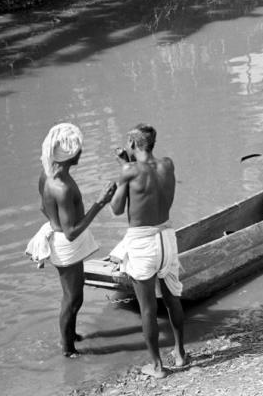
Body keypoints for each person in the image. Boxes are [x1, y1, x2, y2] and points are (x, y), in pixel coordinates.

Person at [26, 122, 116, 358]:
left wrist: (55, 224)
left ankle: (71, 335)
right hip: (66, 243)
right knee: (73, 298)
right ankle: (68, 350)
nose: (82, 153)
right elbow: (72, 232)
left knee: (73, 295)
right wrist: (100, 202)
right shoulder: (63, 187)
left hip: (57, 237)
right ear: (70, 155)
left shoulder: (46, 175)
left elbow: (41, 207)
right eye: (79, 150)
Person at [108, 124, 187, 379]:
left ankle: (156, 366)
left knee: (147, 309)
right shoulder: (168, 164)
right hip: (167, 236)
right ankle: (180, 353)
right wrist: (128, 163)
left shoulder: (128, 171)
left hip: (142, 242)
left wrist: (123, 169)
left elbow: (116, 209)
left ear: (132, 144)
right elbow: (147, 176)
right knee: (172, 297)